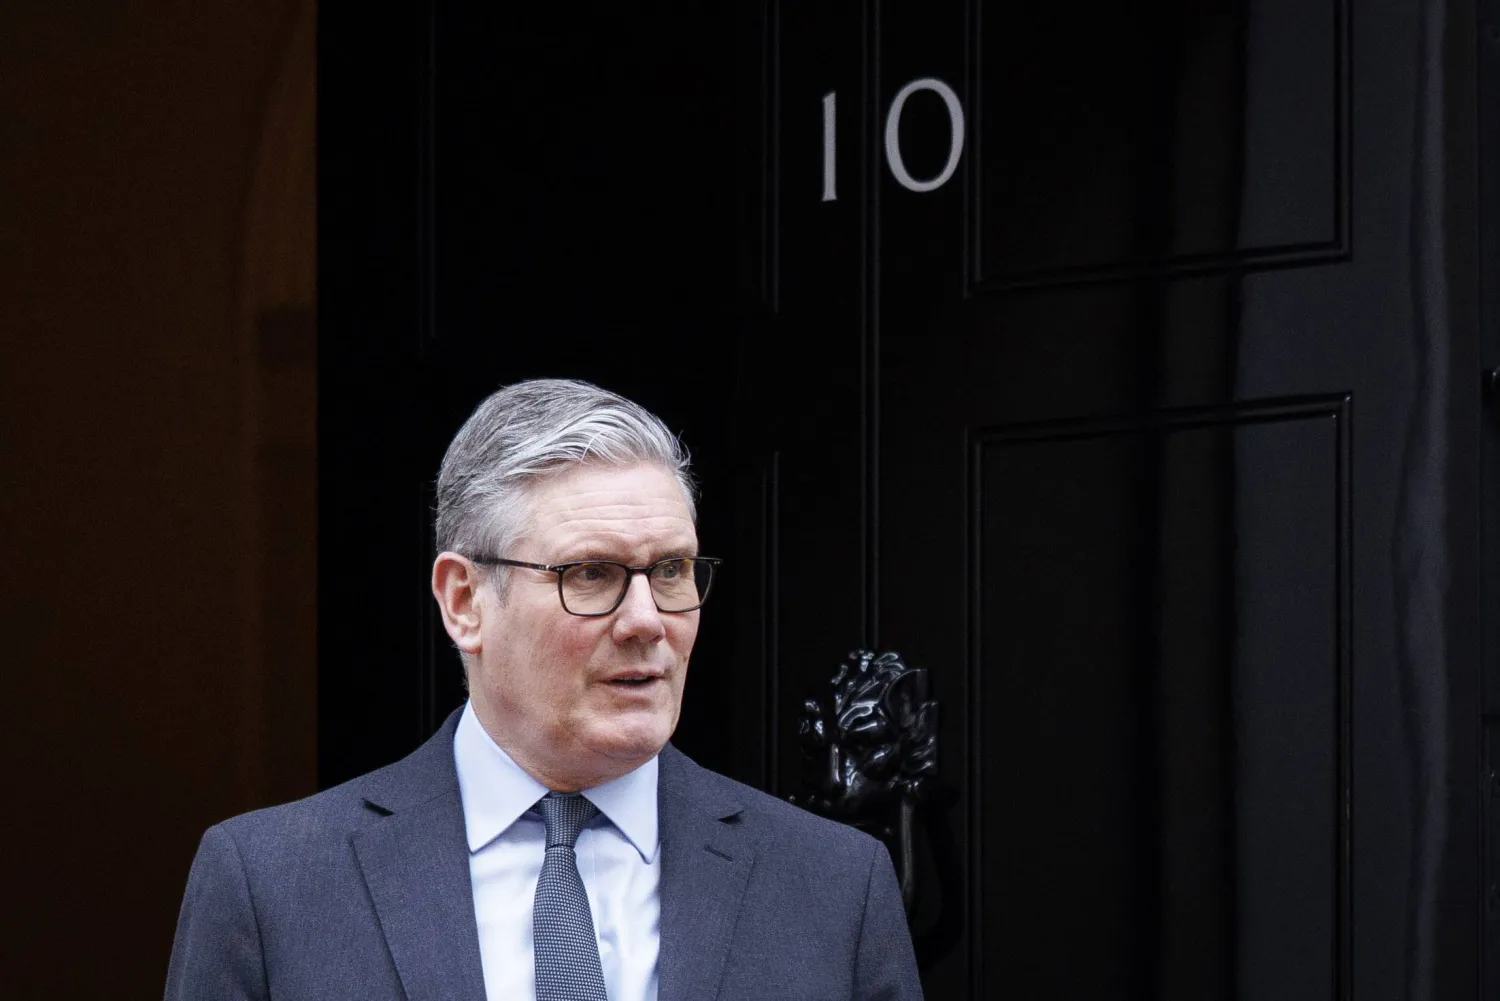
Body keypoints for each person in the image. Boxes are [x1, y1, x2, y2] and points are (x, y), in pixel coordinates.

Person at [164, 378, 922, 1000]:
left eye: (670, 571)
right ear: (464, 600)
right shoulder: (271, 884)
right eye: (590, 573)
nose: (646, 620)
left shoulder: (833, 887)